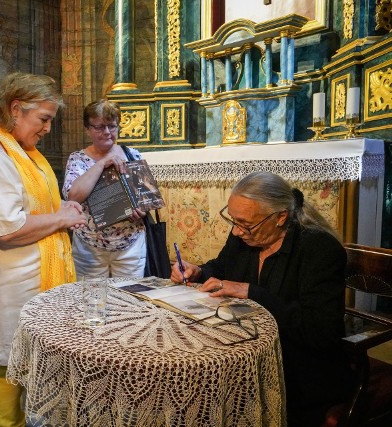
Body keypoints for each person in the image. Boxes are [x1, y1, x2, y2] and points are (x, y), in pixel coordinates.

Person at [0, 72, 86, 427]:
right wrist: (61, 219)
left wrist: (62, 212)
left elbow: (32, 207)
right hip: (5, 283)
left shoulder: (13, 147)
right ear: (15, 109)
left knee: (27, 363)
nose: (47, 129)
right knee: (6, 363)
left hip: (27, 280)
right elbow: (6, 230)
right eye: (44, 119)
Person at [170, 171, 351, 426]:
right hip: (246, 355)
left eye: (245, 224)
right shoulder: (245, 237)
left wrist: (251, 292)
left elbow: (320, 331)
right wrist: (199, 271)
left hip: (298, 370)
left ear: (280, 217)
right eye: (233, 220)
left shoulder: (318, 249)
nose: (236, 231)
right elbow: (221, 268)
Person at [62, 99, 146, 278]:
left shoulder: (133, 154)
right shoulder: (78, 159)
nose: (107, 132)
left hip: (130, 244)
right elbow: (73, 198)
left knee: (129, 300)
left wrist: (141, 210)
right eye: (100, 127)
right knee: (91, 301)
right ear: (88, 129)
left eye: (112, 126)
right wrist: (101, 164)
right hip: (90, 247)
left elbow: (144, 198)